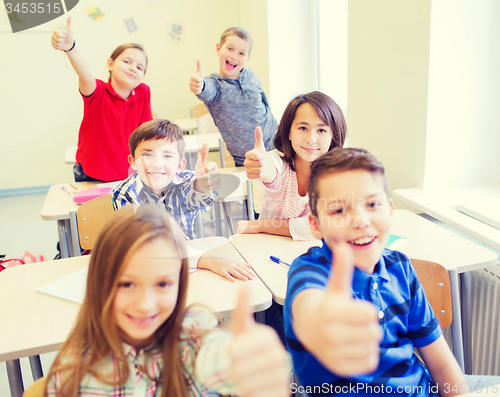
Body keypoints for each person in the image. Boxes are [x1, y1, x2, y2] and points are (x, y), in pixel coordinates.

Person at [44, 205, 290, 397]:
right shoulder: (76, 374)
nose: (145, 304)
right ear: (100, 282)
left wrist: (256, 371)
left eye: (163, 284)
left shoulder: (196, 332)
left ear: (180, 283)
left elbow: (225, 362)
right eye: (127, 284)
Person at [283, 148, 470, 396]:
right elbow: (310, 308)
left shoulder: (400, 268)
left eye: (372, 204)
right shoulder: (309, 271)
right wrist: (322, 325)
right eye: (339, 210)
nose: (360, 220)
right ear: (315, 225)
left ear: (390, 210)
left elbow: (443, 366)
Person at [112, 119, 254, 282]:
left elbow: (199, 198)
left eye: (167, 155)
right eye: (147, 154)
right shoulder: (124, 194)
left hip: (190, 263)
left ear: (180, 165)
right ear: (133, 162)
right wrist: (207, 260)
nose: (157, 164)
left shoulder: (187, 181)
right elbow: (148, 245)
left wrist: (203, 185)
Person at [52, 17, 152, 182]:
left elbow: (146, 133)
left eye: (140, 67)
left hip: (128, 173)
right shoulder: (97, 91)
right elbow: (85, 74)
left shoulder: (143, 92)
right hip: (91, 173)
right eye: (127, 61)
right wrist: (70, 48)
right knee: (94, 209)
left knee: (127, 209)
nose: (133, 68)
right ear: (110, 64)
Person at [238, 91, 347, 241]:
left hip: (308, 252)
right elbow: (271, 170)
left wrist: (261, 225)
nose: (311, 139)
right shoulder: (281, 166)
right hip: (266, 246)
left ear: (332, 137)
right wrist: (261, 166)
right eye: (303, 128)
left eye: (321, 130)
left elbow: (320, 228)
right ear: (289, 132)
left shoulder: (337, 177)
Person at [189, 27, 277, 167]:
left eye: (241, 53)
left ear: (247, 59)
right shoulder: (215, 85)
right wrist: (200, 85)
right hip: (247, 160)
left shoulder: (251, 76)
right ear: (218, 49)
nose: (234, 56)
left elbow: (265, 105)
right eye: (230, 49)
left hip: (277, 146)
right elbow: (206, 89)